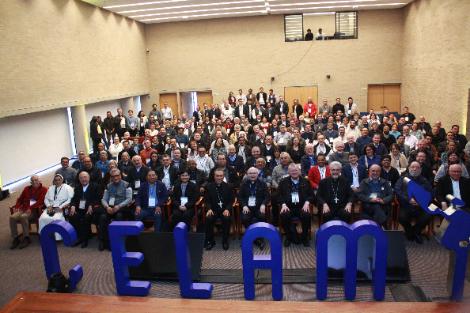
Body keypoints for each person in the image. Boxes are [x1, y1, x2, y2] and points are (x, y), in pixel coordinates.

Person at [394, 162, 432, 244]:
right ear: (409, 168)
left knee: (428, 216)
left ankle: (415, 231)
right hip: (406, 205)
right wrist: (408, 199)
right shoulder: (403, 178)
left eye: (417, 167)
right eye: (412, 167)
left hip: (420, 207)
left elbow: (430, 193)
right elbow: (397, 190)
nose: (415, 169)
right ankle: (410, 231)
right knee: (402, 217)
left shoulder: (424, 180)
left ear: (420, 169)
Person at [278, 164, 314, 247]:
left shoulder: (306, 181)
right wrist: (283, 204)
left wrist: (307, 202)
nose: (294, 172)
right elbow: (278, 196)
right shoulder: (283, 182)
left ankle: (304, 237)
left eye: (296, 170)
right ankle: (289, 237)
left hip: (302, 206)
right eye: (292, 171)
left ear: (300, 171)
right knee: (284, 215)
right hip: (288, 206)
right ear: (288, 172)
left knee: (306, 215)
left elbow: (311, 195)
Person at [9, 175, 47, 249]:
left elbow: (40, 201)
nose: (34, 182)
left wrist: (30, 208)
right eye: (32, 181)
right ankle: (15, 238)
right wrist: (17, 206)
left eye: (36, 180)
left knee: (23, 217)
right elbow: (20, 199)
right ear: (30, 182)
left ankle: (26, 238)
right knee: (12, 217)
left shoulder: (44, 189)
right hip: (23, 208)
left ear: (39, 181)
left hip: (34, 210)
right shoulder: (26, 189)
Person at [99, 169, 133, 251]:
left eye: (117, 175)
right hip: (110, 207)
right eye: (113, 176)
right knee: (103, 217)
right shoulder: (108, 186)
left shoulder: (127, 185)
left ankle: (119, 241)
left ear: (120, 176)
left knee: (119, 216)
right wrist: (107, 207)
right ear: (111, 177)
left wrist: (118, 206)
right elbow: (103, 199)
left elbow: (129, 199)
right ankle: (104, 241)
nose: (115, 178)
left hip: (122, 208)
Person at [68, 171, 102, 248]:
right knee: (72, 216)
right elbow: (74, 199)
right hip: (80, 208)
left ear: (89, 178)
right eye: (81, 178)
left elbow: (98, 198)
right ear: (79, 179)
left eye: (85, 177)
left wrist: (91, 205)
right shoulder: (77, 188)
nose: (83, 179)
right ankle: (79, 237)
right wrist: (73, 205)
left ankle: (85, 239)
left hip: (91, 209)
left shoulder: (95, 186)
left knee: (86, 217)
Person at [238, 167, 269, 249]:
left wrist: (263, 204)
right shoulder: (243, 184)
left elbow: (267, 196)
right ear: (247, 174)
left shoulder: (263, 183)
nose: (252, 175)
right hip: (247, 208)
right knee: (244, 218)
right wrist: (244, 205)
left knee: (261, 217)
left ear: (257, 174)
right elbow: (240, 197)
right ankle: (257, 239)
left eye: (254, 173)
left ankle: (252, 237)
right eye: (250, 173)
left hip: (259, 207)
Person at [204, 168, 234, 251]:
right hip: (213, 210)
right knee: (208, 218)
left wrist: (227, 209)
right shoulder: (209, 186)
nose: (219, 177)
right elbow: (207, 200)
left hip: (224, 210)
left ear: (223, 176)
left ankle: (225, 241)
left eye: (221, 176)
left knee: (226, 219)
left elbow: (231, 200)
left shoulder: (229, 186)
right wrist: (209, 209)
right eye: (217, 176)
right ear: (214, 176)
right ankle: (210, 241)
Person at [39, 174, 74, 241]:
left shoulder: (67, 188)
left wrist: (61, 207)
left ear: (62, 180)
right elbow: (46, 199)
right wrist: (48, 206)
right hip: (50, 207)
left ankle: (57, 237)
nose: (57, 181)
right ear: (54, 181)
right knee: (42, 218)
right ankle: (45, 235)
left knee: (55, 219)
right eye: (56, 180)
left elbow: (70, 199)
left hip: (61, 208)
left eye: (59, 180)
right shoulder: (51, 188)